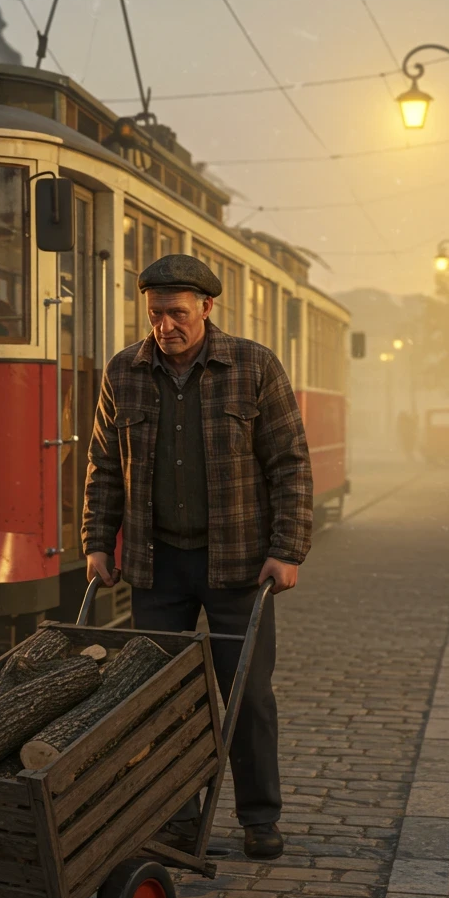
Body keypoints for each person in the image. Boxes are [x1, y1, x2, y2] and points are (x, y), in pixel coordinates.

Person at [82, 253, 313, 861]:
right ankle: (177, 818)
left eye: (178, 314)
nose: (166, 327)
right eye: (156, 315)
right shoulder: (123, 372)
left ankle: (260, 818)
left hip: (238, 565)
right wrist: (96, 543)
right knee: (162, 700)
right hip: (157, 568)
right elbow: (104, 467)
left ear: (207, 308)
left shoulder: (254, 366)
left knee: (249, 695)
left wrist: (286, 551)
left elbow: (289, 464)